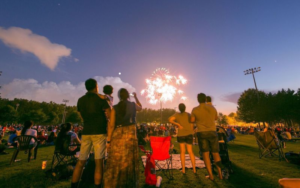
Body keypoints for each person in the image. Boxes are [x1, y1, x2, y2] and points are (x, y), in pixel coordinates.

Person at [71, 78, 111, 188]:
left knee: (81, 161)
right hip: (99, 132)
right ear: (96, 86)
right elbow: (111, 114)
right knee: (99, 162)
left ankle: (74, 185)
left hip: (86, 132)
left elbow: (81, 116)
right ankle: (98, 185)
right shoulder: (101, 99)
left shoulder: (81, 100)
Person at [104, 89, 142, 188]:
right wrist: (136, 97)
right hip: (130, 135)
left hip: (118, 135)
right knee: (128, 160)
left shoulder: (115, 108)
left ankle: (115, 182)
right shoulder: (133, 105)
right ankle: (128, 183)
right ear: (127, 96)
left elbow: (111, 126)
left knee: (117, 159)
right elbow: (141, 107)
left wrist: (108, 141)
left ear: (119, 96)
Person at [191, 93, 224, 181]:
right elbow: (216, 118)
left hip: (202, 132)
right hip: (212, 132)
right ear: (205, 99)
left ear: (198, 100)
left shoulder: (195, 109)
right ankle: (220, 174)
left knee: (206, 155)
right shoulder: (212, 107)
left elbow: (192, 120)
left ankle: (211, 175)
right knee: (216, 153)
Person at [169, 103, 196, 174]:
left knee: (182, 152)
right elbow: (192, 123)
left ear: (179, 108)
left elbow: (170, 119)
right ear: (185, 108)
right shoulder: (188, 114)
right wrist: (191, 131)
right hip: (189, 134)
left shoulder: (177, 114)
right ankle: (194, 169)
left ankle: (183, 170)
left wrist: (177, 124)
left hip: (181, 135)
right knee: (190, 152)